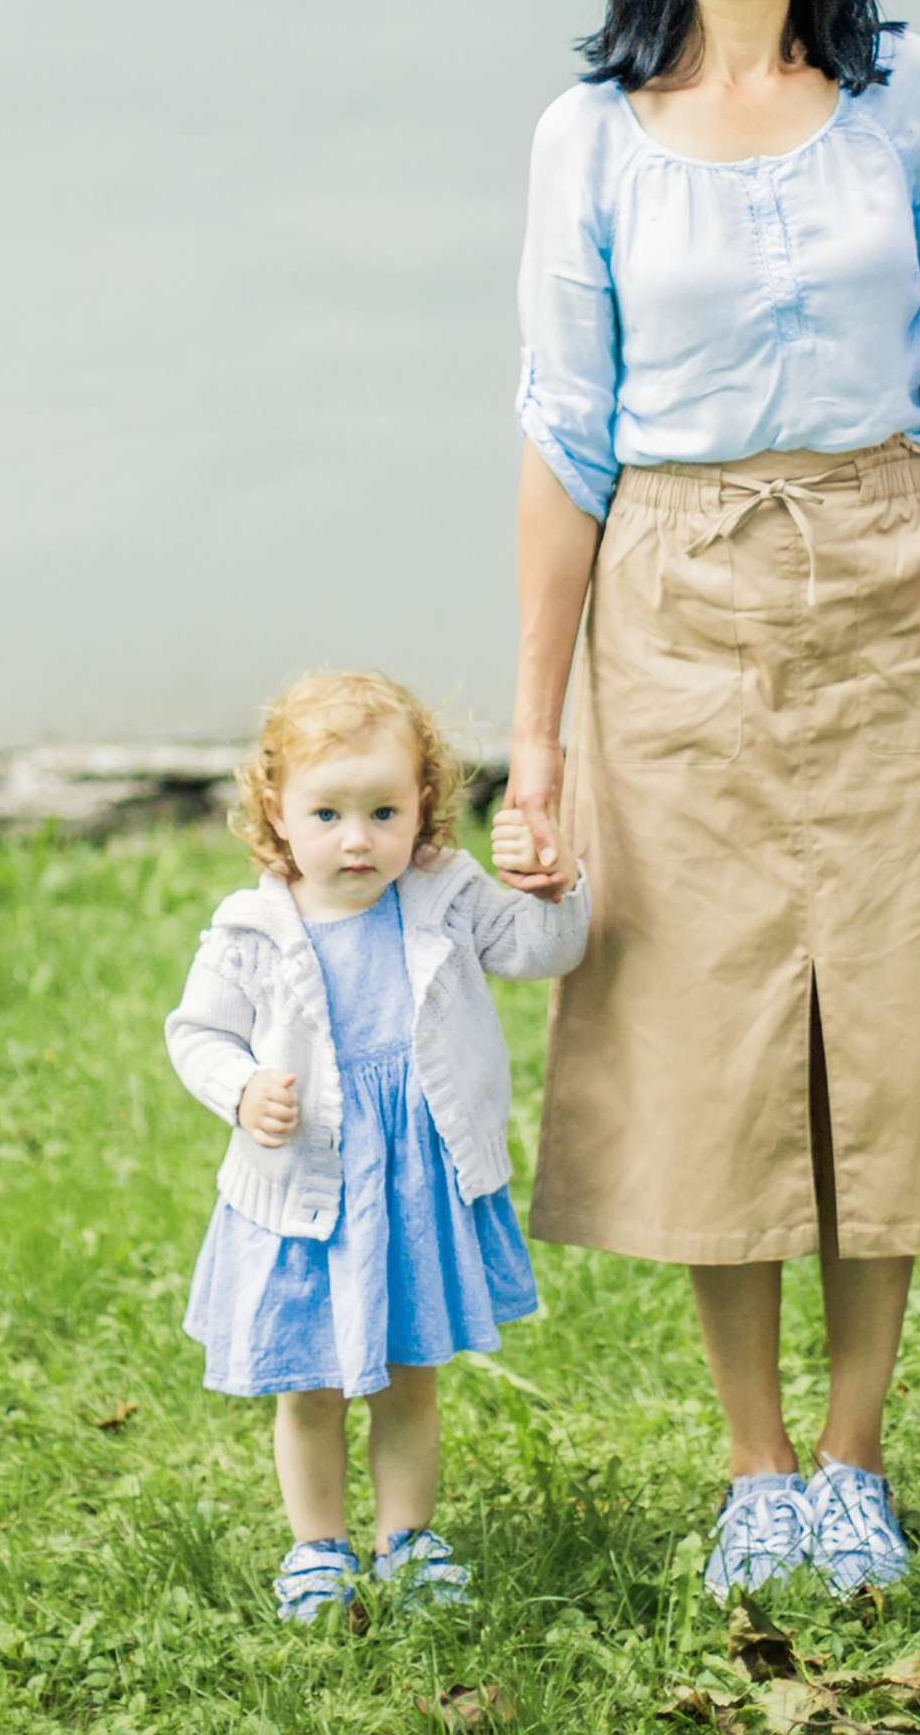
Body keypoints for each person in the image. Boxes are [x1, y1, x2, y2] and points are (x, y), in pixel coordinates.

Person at [497, 0, 920, 1599]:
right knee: (712, 1024)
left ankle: (862, 1457)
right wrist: (535, 741)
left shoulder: (912, 98)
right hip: (680, 603)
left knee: (891, 1015)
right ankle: (755, 1467)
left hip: (887, 591)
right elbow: (568, 437)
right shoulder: (592, 136)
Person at [163, 671, 586, 1621]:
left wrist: (552, 882)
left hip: (413, 1184)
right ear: (278, 812)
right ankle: (318, 1547)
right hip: (307, 1186)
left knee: (407, 1373)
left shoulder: (443, 895)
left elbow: (541, 950)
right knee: (308, 1382)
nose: (357, 840)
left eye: (384, 811)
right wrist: (239, 1091)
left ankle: (408, 1538)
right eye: (327, 814)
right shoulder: (253, 929)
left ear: (424, 808)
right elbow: (196, 1033)